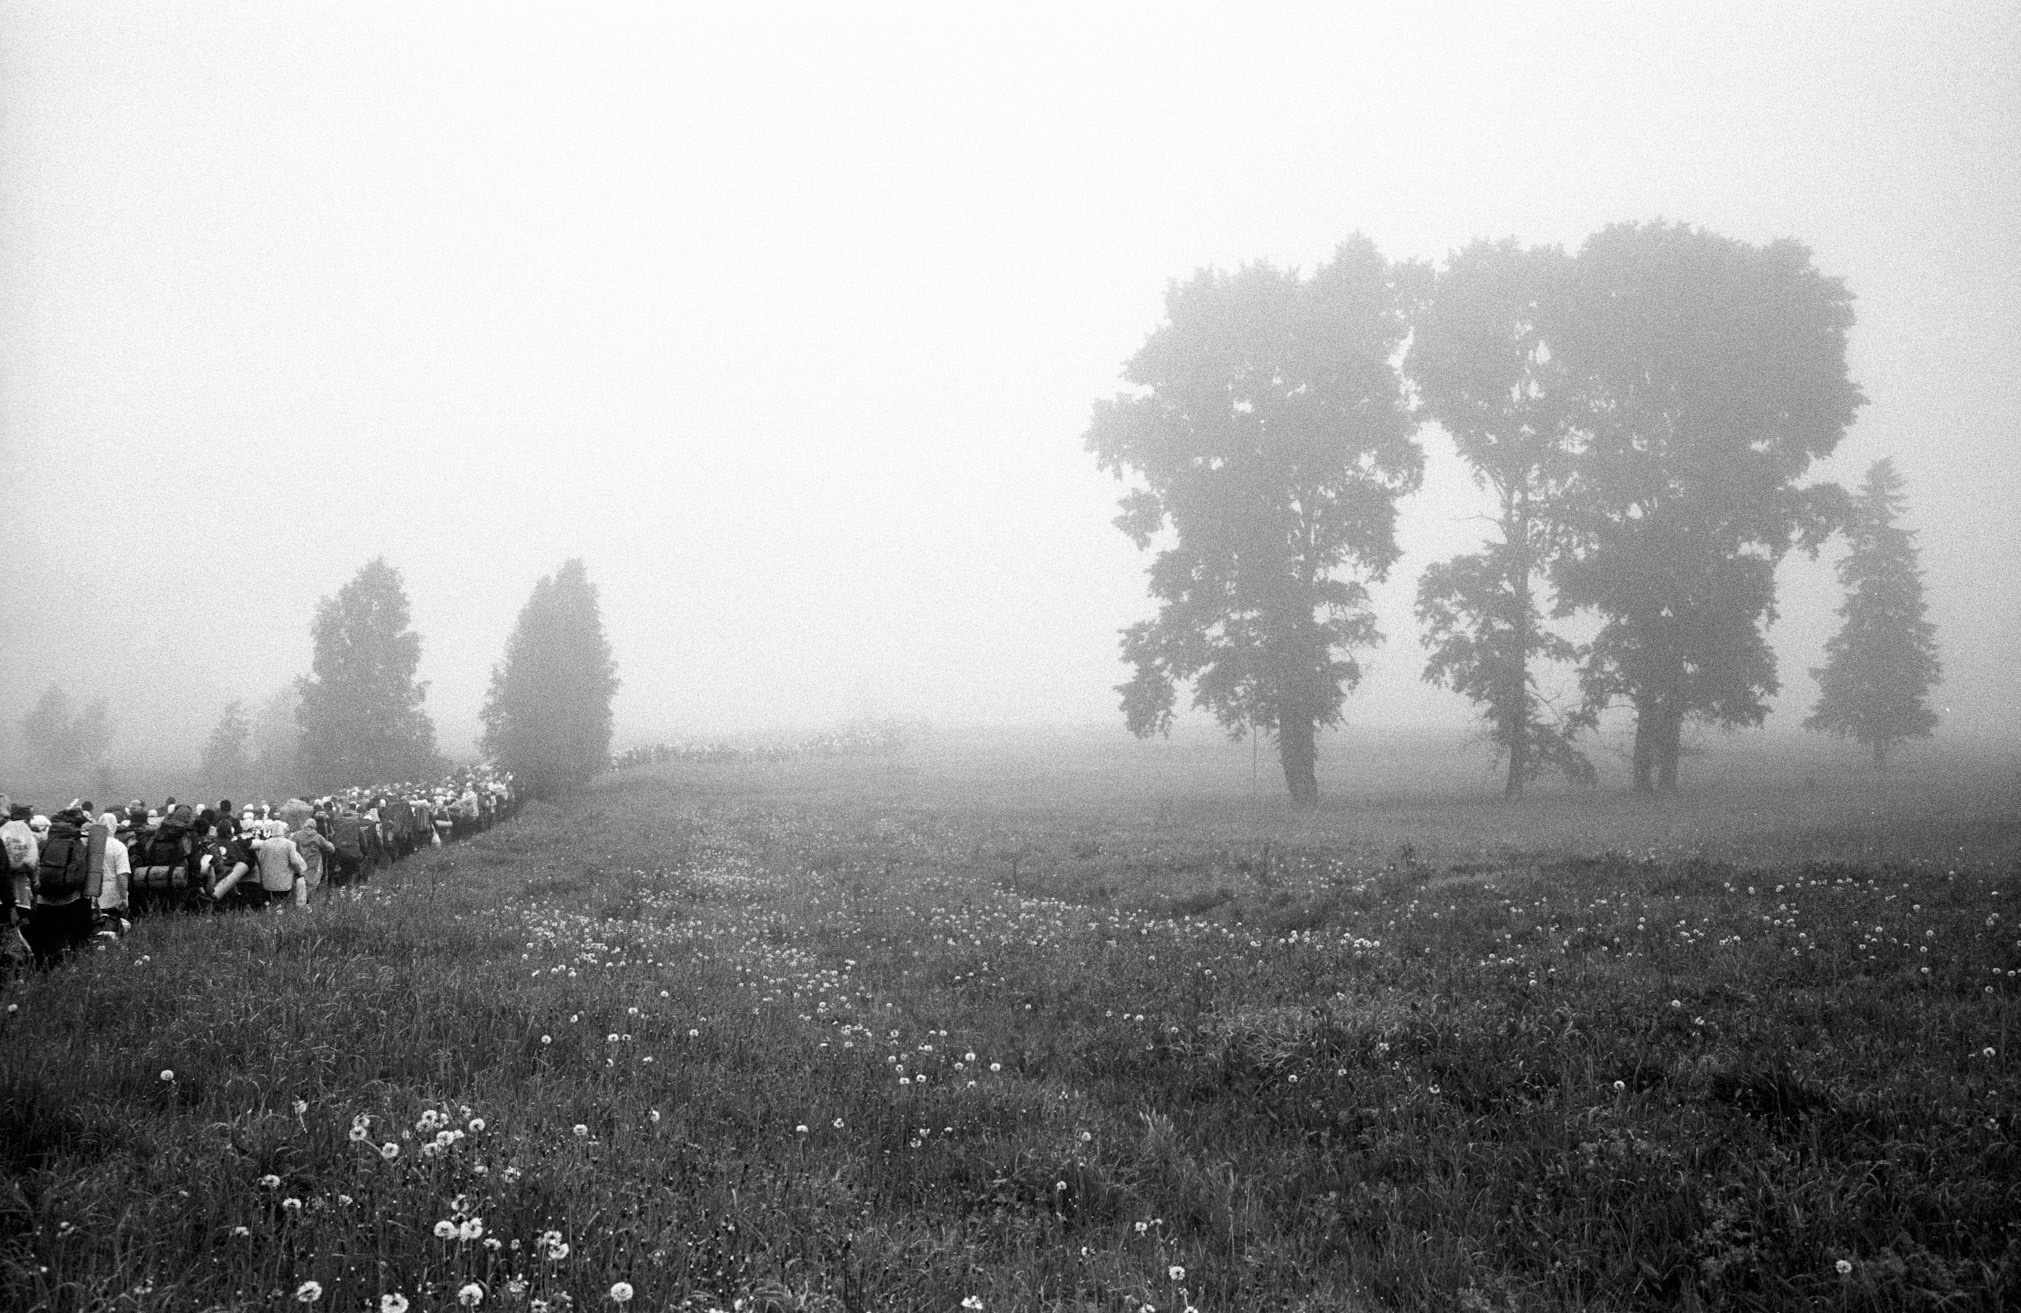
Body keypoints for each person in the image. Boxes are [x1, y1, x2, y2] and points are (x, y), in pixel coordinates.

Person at [252, 819, 306, 909]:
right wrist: (299, 872)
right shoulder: (289, 844)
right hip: (284, 881)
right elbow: (294, 861)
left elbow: (260, 860)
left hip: (267, 881)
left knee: (270, 903)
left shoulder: (265, 844)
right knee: (282, 903)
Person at [290, 814, 335, 905]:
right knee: (311, 883)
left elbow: (290, 846)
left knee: (299, 883)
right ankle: (307, 901)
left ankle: (297, 901)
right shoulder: (318, 837)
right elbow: (330, 849)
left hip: (299, 863)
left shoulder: (296, 835)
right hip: (312, 864)